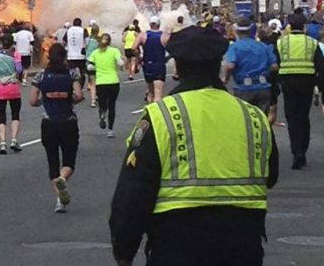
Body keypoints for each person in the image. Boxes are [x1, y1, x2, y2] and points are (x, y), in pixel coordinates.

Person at [109, 25, 278, 266]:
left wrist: (124, 252)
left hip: (177, 243)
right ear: (218, 63)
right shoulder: (253, 117)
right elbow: (270, 176)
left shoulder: (160, 116)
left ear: (177, 67)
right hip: (242, 244)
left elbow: (133, 191)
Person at [30, 43, 84, 213]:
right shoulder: (72, 74)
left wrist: (43, 100)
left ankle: (59, 201)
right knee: (69, 160)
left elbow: (32, 101)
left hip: (49, 122)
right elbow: (79, 96)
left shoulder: (41, 76)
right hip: (68, 120)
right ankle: (63, 178)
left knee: (52, 160)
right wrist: (69, 99)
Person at [277, 12, 324, 170]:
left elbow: (274, 64)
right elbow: (322, 68)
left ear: (290, 26)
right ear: (304, 26)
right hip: (307, 82)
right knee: (303, 117)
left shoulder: (281, 43)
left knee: (292, 119)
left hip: (288, 83)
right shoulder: (312, 43)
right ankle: (302, 151)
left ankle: (296, 151)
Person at [224, 17, 278, 113]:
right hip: (263, 87)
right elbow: (274, 67)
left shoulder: (234, 47)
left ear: (237, 31)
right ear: (250, 31)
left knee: (246, 121)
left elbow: (230, 66)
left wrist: (226, 79)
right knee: (262, 120)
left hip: (244, 89)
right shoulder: (262, 46)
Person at [0, 34, 23, 154]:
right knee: (15, 115)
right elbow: (19, 69)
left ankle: (2, 143)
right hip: (13, 87)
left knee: (1, 117)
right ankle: (14, 140)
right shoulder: (15, 55)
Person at [87, 33, 124, 138]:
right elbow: (120, 63)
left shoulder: (95, 53)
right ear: (110, 41)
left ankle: (102, 114)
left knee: (103, 104)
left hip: (101, 82)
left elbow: (90, 66)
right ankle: (110, 130)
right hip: (113, 81)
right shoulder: (114, 51)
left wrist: (95, 70)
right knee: (112, 105)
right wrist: (121, 66)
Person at [132, 16, 170, 103]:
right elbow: (174, 49)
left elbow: (133, 48)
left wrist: (139, 57)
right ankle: (156, 112)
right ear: (159, 25)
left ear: (150, 24)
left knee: (150, 91)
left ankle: (149, 109)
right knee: (158, 92)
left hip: (147, 64)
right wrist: (167, 58)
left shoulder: (143, 35)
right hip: (159, 65)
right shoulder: (165, 36)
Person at [64, 18, 88, 88]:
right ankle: (80, 88)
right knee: (82, 73)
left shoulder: (69, 30)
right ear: (80, 24)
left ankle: (72, 88)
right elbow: (87, 42)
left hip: (71, 56)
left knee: (71, 73)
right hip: (81, 56)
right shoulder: (83, 30)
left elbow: (64, 42)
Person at [85, 26, 100, 108]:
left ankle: (93, 100)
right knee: (98, 81)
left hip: (89, 62)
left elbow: (85, 49)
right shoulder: (99, 41)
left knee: (92, 82)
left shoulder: (87, 40)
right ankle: (97, 96)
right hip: (97, 63)